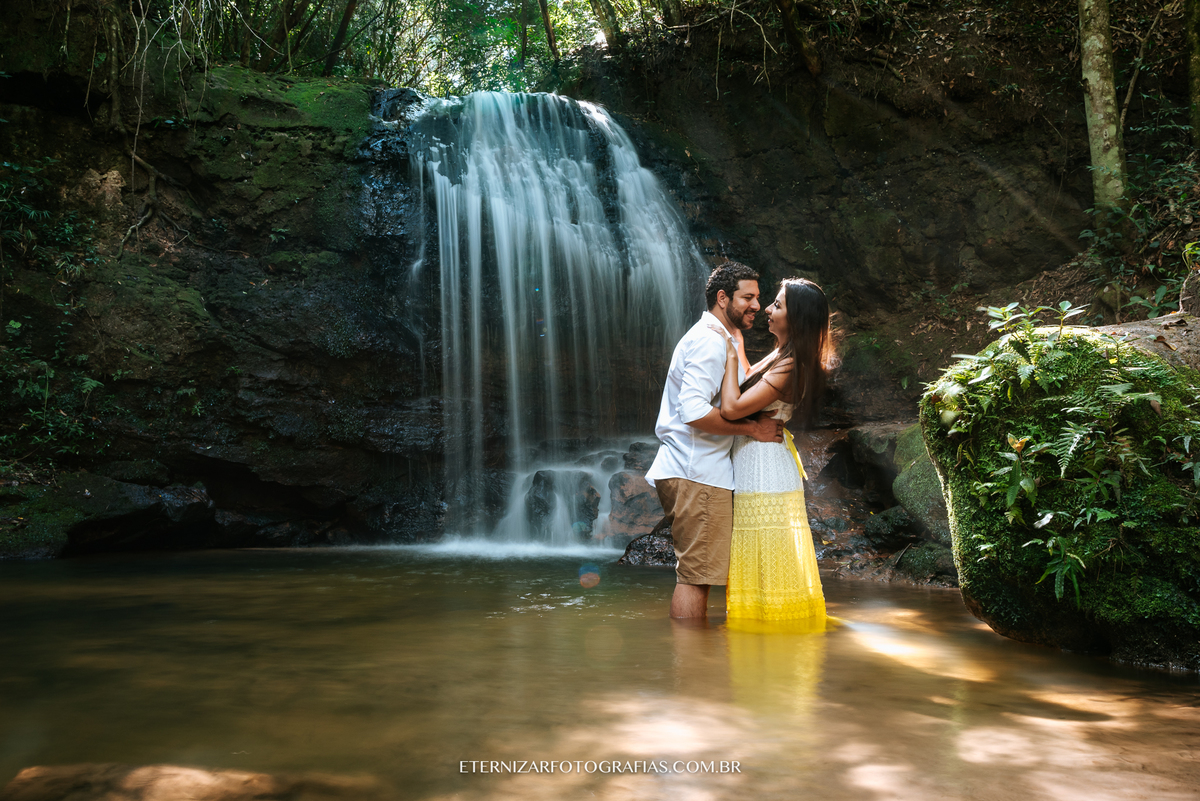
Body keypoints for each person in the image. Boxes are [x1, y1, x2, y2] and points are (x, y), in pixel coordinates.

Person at [645, 262, 784, 619]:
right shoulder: (710, 341)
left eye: (758, 298)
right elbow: (692, 411)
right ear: (723, 298)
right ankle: (693, 668)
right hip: (696, 472)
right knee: (696, 577)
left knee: (698, 574)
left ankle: (694, 663)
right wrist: (752, 430)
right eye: (748, 297)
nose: (757, 305)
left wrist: (779, 352)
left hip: (698, 471)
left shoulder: (720, 337)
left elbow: (742, 383)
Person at [710, 277, 835, 624]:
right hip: (759, 459)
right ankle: (764, 628)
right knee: (762, 550)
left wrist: (729, 352)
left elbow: (732, 408)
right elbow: (752, 382)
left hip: (764, 464)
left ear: (796, 320)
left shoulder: (792, 365)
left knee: (766, 548)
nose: (766, 308)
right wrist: (737, 343)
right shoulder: (784, 355)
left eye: (777, 305)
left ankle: (773, 628)